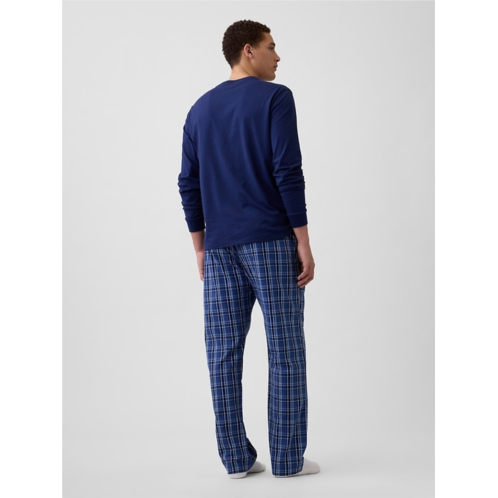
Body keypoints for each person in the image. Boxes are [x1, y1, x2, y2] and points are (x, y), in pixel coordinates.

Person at [178, 20, 320, 479]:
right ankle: (287, 460)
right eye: (271, 47)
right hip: (272, 241)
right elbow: (287, 170)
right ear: (248, 51)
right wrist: (303, 241)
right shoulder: (276, 98)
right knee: (285, 349)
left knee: (222, 353)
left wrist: (200, 247)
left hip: (220, 247)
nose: (278, 56)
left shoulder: (199, 109)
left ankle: (236, 460)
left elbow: (188, 183)